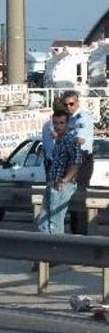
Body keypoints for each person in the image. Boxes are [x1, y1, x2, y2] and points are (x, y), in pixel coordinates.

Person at [35, 110, 82, 235]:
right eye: (55, 123)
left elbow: (76, 162)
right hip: (53, 183)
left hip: (62, 185)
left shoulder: (70, 140)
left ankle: (57, 251)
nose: (58, 126)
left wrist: (64, 180)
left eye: (61, 123)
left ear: (67, 124)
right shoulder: (59, 141)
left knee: (55, 222)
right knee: (43, 222)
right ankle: (47, 251)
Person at [63, 91, 94, 234]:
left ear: (77, 102)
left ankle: (81, 233)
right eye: (66, 104)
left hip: (81, 159)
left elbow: (79, 140)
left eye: (71, 103)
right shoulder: (70, 119)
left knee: (79, 197)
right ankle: (75, 232)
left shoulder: (82, 118)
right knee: (72, 196)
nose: (68, 106)